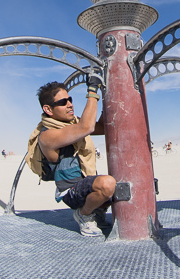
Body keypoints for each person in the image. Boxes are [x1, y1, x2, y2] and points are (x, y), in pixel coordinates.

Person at [28, 76, 115, 237]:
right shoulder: (47, 136)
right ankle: (84, 214)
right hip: (71, 191)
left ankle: (97, 211)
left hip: (87, 183)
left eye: (70, 99)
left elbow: (101, 128)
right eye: (63, 102)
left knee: (122, 185)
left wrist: (106, 97)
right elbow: (87, 127)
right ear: (48, 109)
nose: (70, 105)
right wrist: (92, 91)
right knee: (107, 184)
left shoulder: (73, 123)